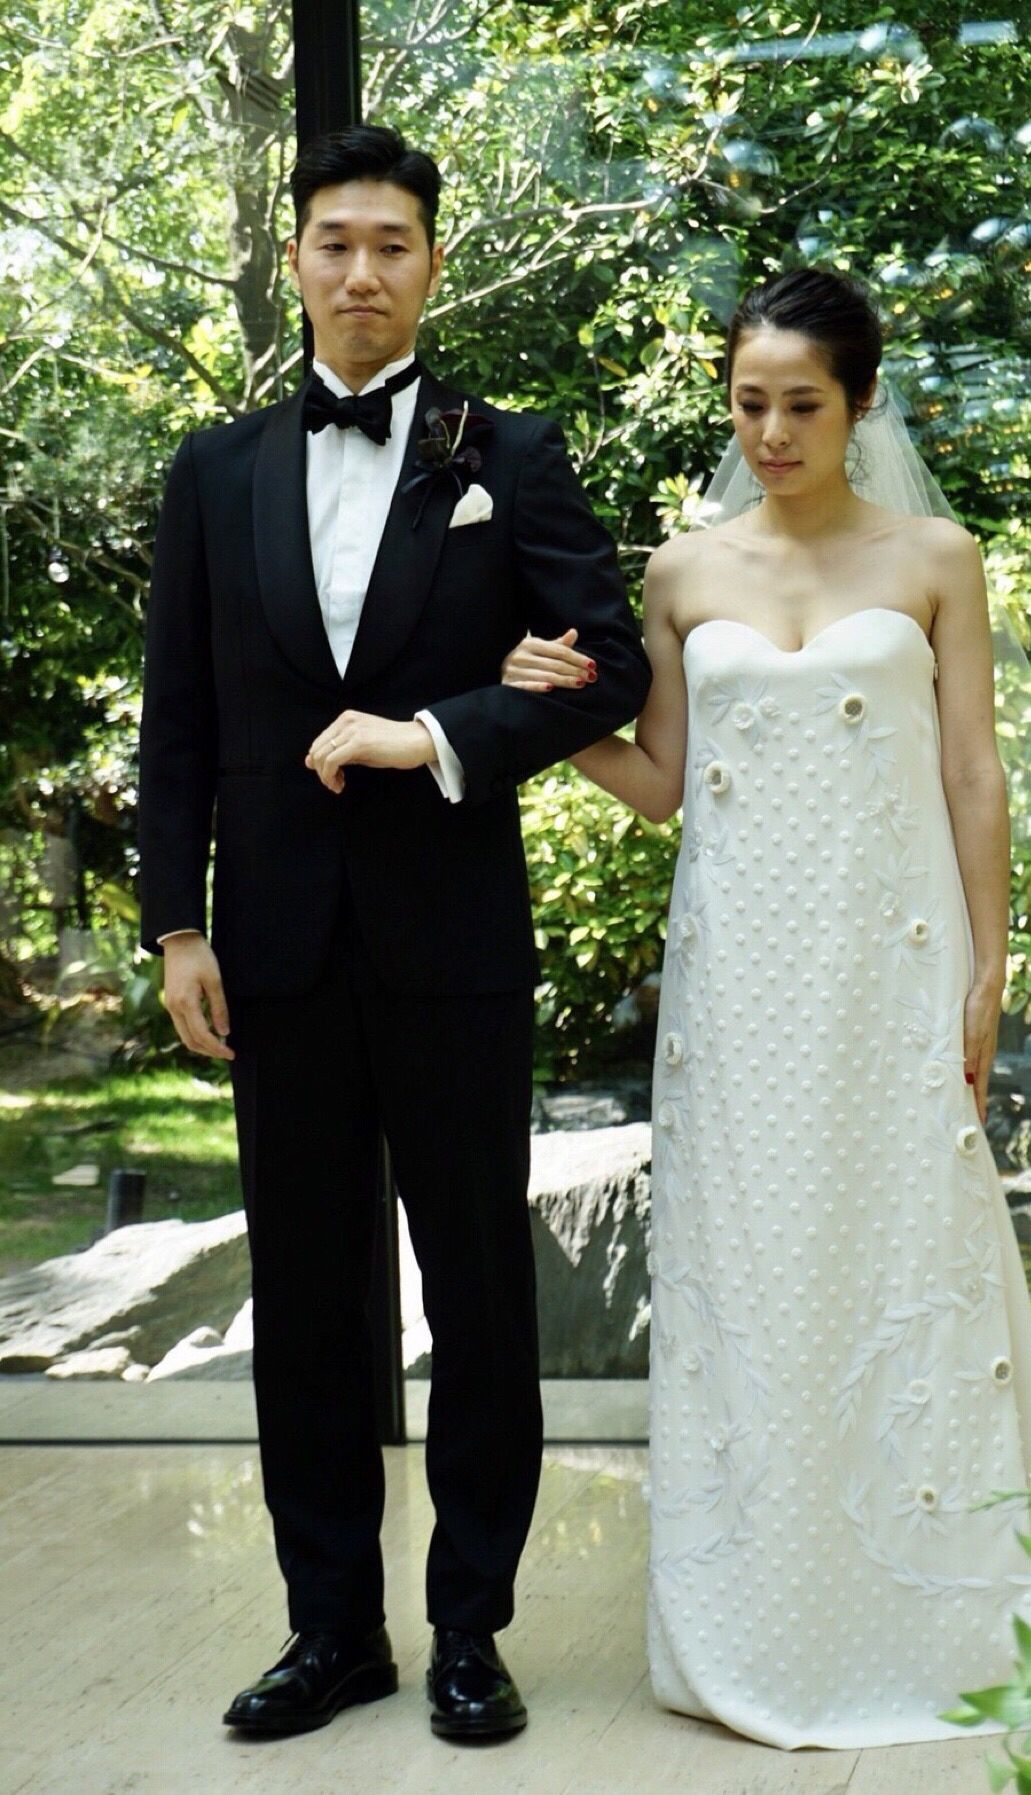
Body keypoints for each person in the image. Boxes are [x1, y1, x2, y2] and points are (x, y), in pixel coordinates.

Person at [499, 267, 1031, 1750]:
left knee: (901, 1251)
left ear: (860, 403)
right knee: (753, 1277)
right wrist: (548, 713)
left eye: (801, 405)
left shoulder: (937, 557)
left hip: (893, 962)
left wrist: (988, 963)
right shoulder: (684, 572)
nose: (770, 433)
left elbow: (971, 771)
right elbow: (660, 783)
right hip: (741, 983)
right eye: (749, 403)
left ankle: (928, 1610)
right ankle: (760, 1617)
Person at [137, 123, 651, 1742]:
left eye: (393, 245)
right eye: (336, 242)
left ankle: (473, 1632)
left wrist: (435, 732)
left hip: (454, 943)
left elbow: (612, 666)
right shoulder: (214, 471)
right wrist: (173, 926)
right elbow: (177, 716)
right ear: (297, 257)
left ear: (433, 263)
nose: (363, 272)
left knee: (480, 1293)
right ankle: (332, 1631)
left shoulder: (516, 452)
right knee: (307, 1301)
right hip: (272, 946)